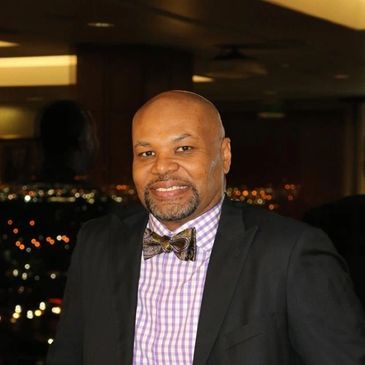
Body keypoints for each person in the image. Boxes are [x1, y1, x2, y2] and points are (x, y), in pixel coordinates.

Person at [47, 90, 365, 365]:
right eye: (146, 153)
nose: (162, 167)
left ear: (223, 155)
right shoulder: (98, 243)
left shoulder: (289, 253)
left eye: (183, 148)